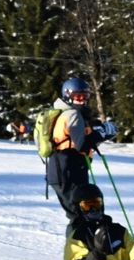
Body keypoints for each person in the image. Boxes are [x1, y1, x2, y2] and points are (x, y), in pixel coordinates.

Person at [42, 74, 117, 217]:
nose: (82, 100)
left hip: (63, 170)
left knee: (80, 215)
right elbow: (81, 145)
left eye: (85, 96)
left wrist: (99, 133)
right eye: (77, 96)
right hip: (69, 171)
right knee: (82, 216)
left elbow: (76, 140)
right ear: (67, 96)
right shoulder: (72, 115)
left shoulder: (66, 113)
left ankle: (84, 232)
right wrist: (102, 133)